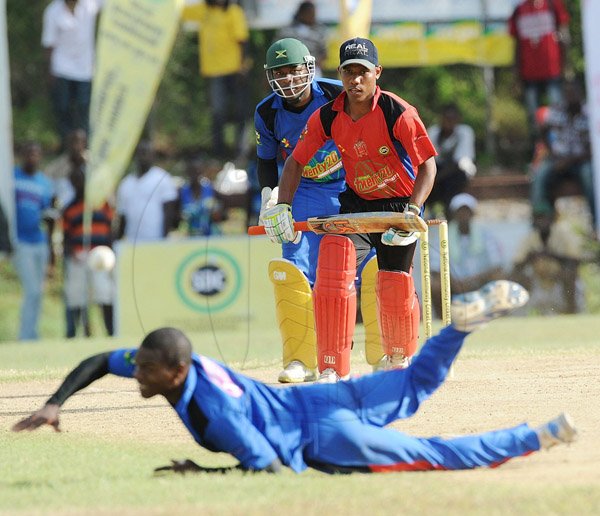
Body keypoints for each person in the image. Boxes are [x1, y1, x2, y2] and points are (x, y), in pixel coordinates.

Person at [12, 281, 578, 474]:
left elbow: (268, 465)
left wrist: (202, 473)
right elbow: (94, 363)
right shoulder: (175, 363)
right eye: (136, 364)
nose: (134, 373)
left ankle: (538, 437)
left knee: (433, 455)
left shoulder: (214, 410)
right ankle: (457, 328)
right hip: (328, 395)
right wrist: (57, 403)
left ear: (176, 371)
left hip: (326, 436)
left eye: (143, 368)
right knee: (413, 385)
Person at [263, 37, 438, 381]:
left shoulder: (397, 111)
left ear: (377, 73)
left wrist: (412, 211)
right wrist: (282, 205)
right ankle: (331, 366)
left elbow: (428, 165)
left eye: (363, 72)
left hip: (396, 207)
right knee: (331, 273)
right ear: (340, 75)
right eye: (349, 73)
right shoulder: (328, 115)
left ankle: (398, 358)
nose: (356, 80)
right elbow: (296, 162)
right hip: (355, 203)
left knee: (393, 280)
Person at [256, 37, 355, 383]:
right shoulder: (267, 112)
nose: (288, 80)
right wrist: (270, 198)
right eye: (280, 73)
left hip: (350, 184)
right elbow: (266, 161)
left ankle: (386, 353)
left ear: (309, 68)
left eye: (294, 71)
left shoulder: (335, 95)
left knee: (355, 271)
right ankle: (300, 359)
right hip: (302, 190)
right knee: (294, 269)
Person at [182, 0, 250, 159]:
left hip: (234, 71)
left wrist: (243, 68)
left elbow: (243, 41)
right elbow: (179, 11)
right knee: (218, 112)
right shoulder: (203, 10)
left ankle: (241, 150)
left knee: (241, 111)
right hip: (213, 72)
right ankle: (219, 151)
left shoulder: (233, 12)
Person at [529, 80, 596, 229]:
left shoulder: (590, 113)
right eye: (568, 93)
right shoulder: (557, 110)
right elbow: (543, 130)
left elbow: (594, 148)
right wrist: (552, 153)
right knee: (539, 176)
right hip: (557, 159)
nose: (570, 97)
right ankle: (539, 225)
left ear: (580, 94)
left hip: (581, 160)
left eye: (573, 93)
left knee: (589, 177)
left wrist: (569, 161)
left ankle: (596, 224)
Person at [511, 202, 593, 315]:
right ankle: (516, 314)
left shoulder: (563, 234)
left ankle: (571, 312)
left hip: (560, 284)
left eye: (543, 217)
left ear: (551, 218)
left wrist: (553, 256)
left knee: (569, 273)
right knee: (516, 276)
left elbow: (576, 260)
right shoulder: (530, 238)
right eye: (538, 218)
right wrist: (531, 257)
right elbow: (516, 265)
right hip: (539, 284)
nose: (541, 222)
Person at [430, 193, 503, 317]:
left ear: (473, 213)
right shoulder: (442, 236)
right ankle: (443, 320)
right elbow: (435, 268)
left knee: (499, 278)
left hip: (480, 282)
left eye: (467, 211)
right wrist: (454, 283)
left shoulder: (486, 235)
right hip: (453, 285)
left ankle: (494, 317)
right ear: (454, 214)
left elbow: (497, 265)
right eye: (460, 211)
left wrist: (473, 280)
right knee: (436, 285)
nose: (463, 215)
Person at [62, 167, 115, 337]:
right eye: (75, 180)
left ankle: (111, 331)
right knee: (78, 298)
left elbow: (111, 228)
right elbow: (66, 236)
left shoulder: (101, 203)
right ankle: (81, 333)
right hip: (80, 256)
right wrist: (72, 253)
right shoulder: (69, 208)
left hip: (101, 256)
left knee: (104, 295)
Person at [42, 0, 102, 145]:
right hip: (61, 68)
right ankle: (67, 146)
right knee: (63, 108)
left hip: (85, 69)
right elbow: (49, 44)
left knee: (83, 107)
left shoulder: (90, 5)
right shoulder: (53, 11)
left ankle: (85, 147)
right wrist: (49, 71)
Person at [508, 0, 570, 137]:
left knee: (558, 114)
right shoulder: (519, 10)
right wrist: (516, 74)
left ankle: (560, 145)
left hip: (553, 70)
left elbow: (564, 35)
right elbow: (516, 45)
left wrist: (566, 65)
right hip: (529, 73)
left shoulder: (553, 5)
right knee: (533, 117)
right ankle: (539, 149)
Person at [13, 142, 54, 341]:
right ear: (22, 155)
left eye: (36, 154)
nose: (32, 158)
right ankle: (26, 337)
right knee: (31, 289)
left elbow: (48, 213)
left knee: (38, 292)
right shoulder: (11, 177)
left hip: (40, 242)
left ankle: (33, 333)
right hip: (20, 242)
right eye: (29, 153)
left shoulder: (45, 183)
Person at [115, 140, 178, 242]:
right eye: (140, 153)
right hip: (132, 244)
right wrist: (117, 240)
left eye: (146, 153)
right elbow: (123, 217)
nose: (142, 157)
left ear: (152, 156)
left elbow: (169, 213)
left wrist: (163, 240)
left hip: (155, 242)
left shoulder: (163, 178)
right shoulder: (125, 184)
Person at [426, 103, 476, 217]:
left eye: (452, 119)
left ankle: (450, 210)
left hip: (457, 173)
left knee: (456, 178)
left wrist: (436, 179)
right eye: (446, 118)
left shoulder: (465, 132)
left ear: (458, 119)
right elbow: (430, 159)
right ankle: (433, 209)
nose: (449, 122)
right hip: (438, 171)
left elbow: (459, 161)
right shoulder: (434, 132)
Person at [275, 2, 328, 76]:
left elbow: (323, 53)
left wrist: (315, 64)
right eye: (309, 13)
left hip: (313, 68)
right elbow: (277, 49)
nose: (312, 16)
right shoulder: (287, 31)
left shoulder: (319, 31)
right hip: (291, 68)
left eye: (313, 14)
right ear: (301, 13)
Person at [177, 157, 224, 237]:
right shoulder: (182, 192)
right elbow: (177, 216)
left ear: (201, 172)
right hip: (191, 236)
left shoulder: (210, 189)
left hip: (211, 235)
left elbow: (221, 213)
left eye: (197, 171)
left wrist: (214, 213)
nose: (194, 175)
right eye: (191, 171)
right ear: (187, 173)